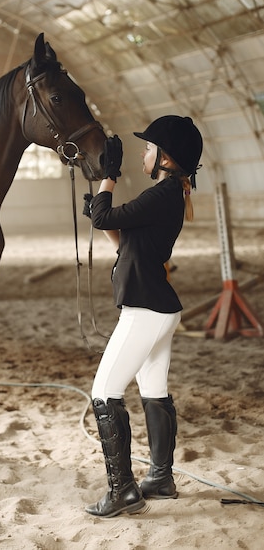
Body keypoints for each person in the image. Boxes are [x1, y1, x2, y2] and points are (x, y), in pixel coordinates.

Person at [82, 114, 203, 518]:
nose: (143, 153)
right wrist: (99, 207)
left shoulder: (162, 195)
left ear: (166, 157)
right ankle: (160, 478)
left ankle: (122, 491)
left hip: (145, 310)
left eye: (149, 148)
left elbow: (104, 216)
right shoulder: (168, 196)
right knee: (153, 390)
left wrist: (108, 177)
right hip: (160, 309)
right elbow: (121, 241)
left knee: (103, 393)